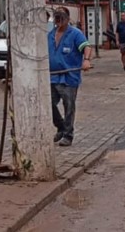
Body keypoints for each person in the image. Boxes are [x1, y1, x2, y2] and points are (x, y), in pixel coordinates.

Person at [48, 9, 93, 147]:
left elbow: (86, 46)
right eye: (56, 17)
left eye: (61, 17)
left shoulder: (75, 34)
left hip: (69, 77)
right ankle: (61, 126)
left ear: (67, 18)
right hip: (52, 77)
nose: (58, 20)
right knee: (49, 104)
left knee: (69, 106)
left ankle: (68, 134)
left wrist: (86, 60)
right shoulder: (50, 35)